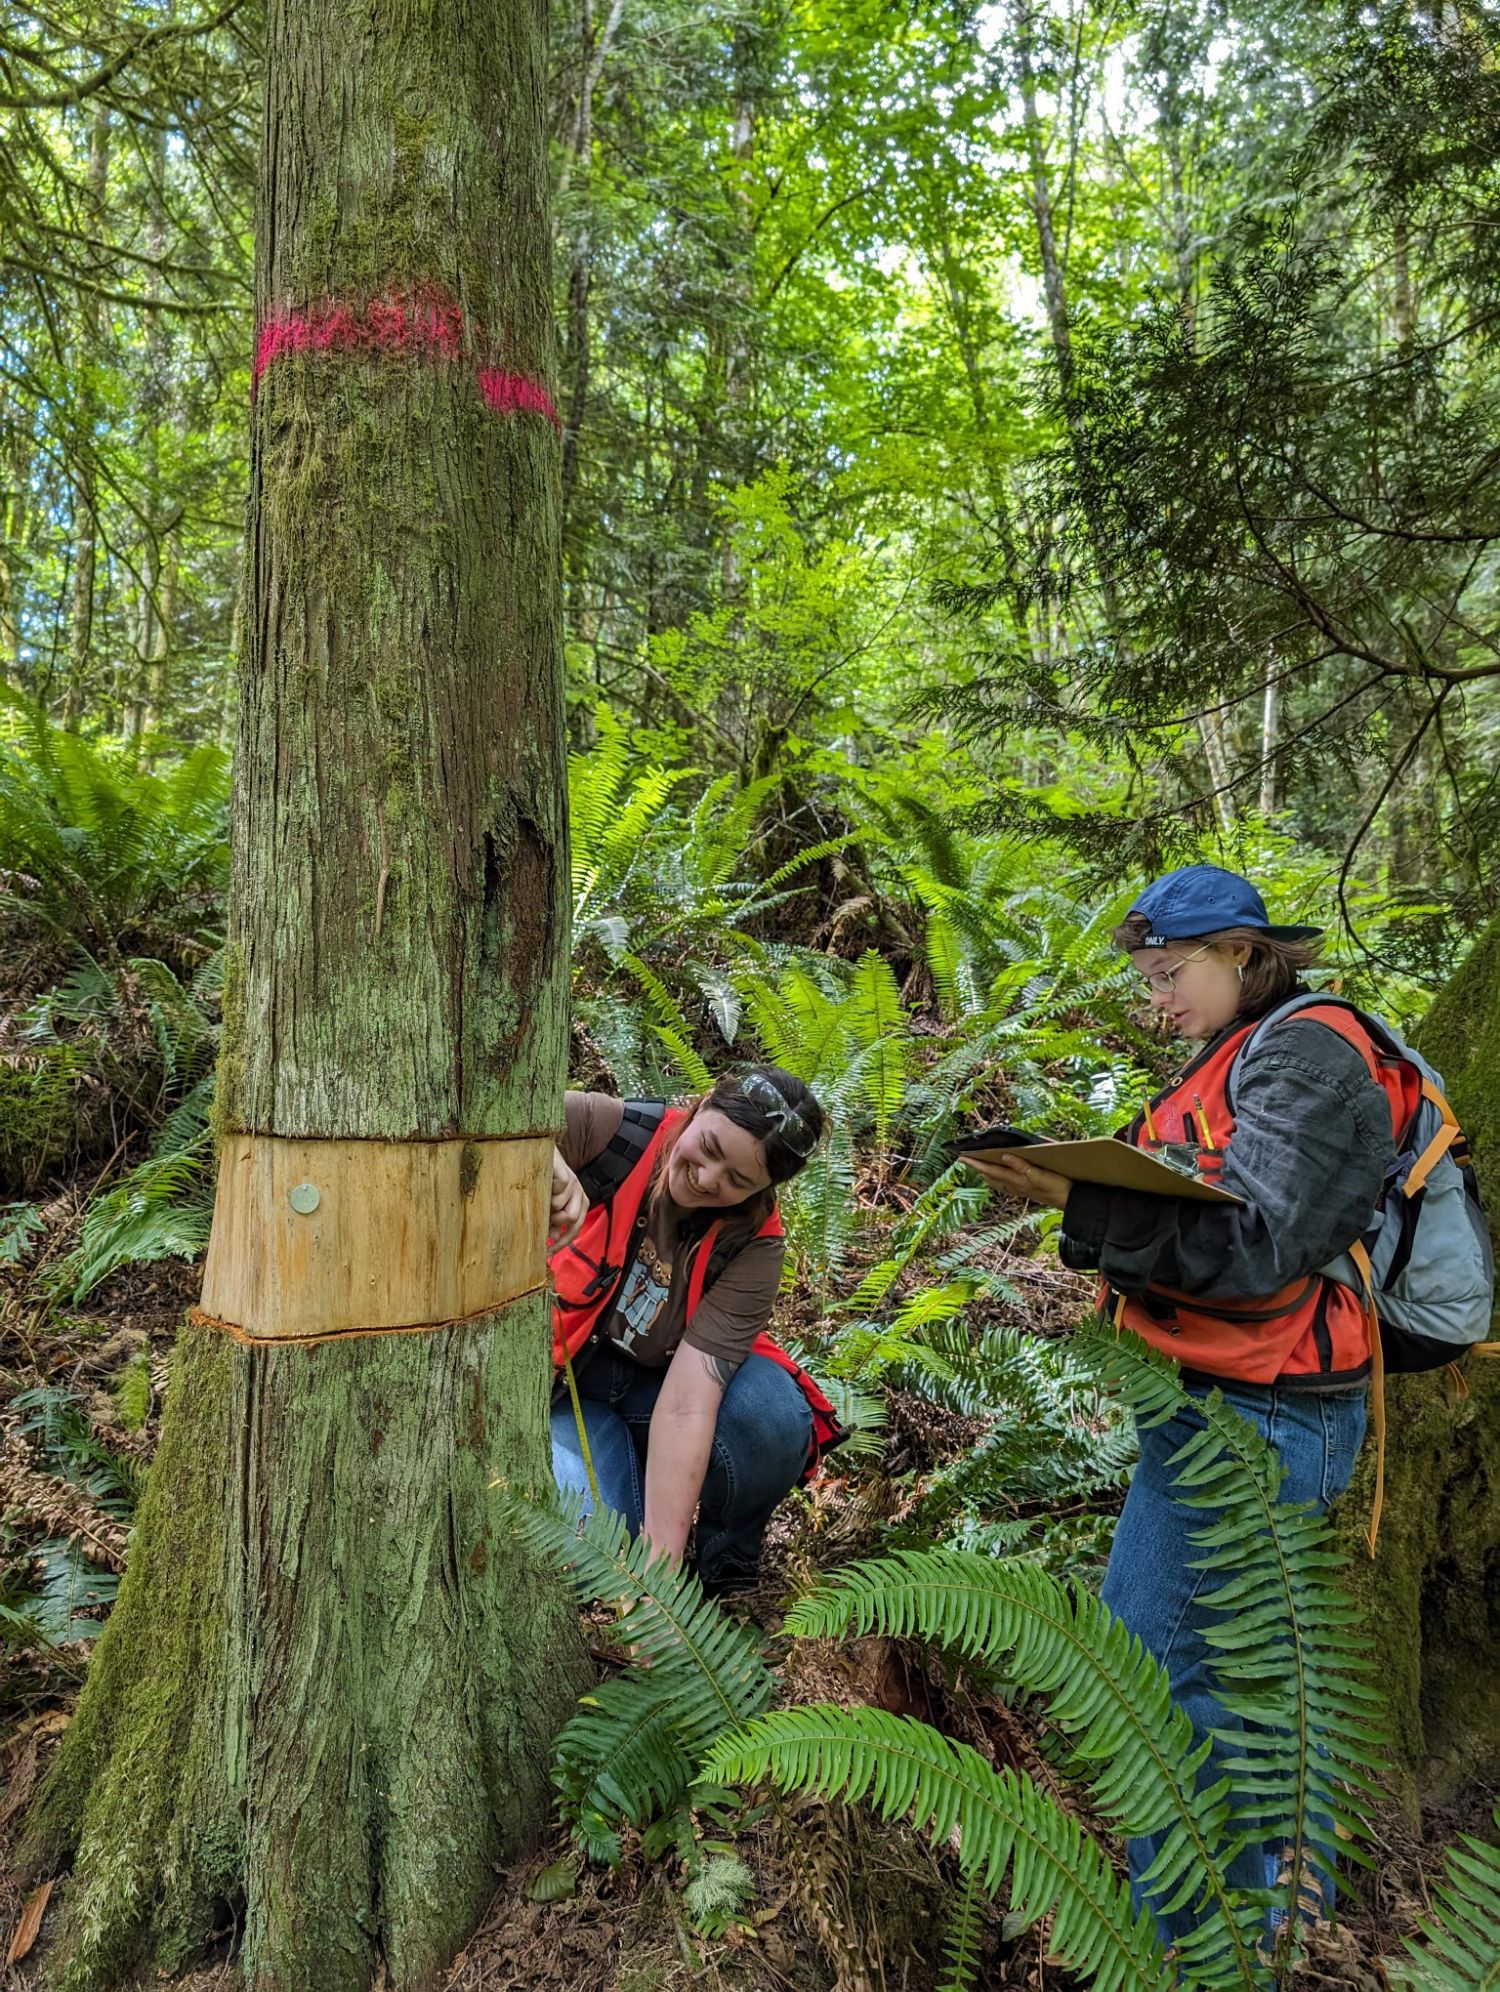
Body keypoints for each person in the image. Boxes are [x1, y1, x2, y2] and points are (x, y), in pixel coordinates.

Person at [965, 863, 1411, 1943]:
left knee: (1160, 1688)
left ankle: (1199, 1949)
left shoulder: (1307, 1051)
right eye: (1148, 977)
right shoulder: (1245, 1050)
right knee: (1215, 1678)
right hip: (1221, 1407)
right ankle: (1254, 1922)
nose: (1156, 998)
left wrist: (1083, 1197)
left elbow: (1256, 1244)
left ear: (1246, 956)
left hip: (1261, 1415)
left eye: (1171, 973)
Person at [546, 1065, 839, 1596]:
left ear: (765, 1190)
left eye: (737, 1181)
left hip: (656, 1390)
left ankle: (724, 1571)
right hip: (562, 1390)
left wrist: (661, 1588)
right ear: (702, 1106)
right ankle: (633, 1489)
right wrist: (542, 1157)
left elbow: (688, 1403)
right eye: (708, 1147)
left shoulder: (755, 1247)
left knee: (770, 1415)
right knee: (589, 1540)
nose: (707, 1179)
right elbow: (499, 1124)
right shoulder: (610, 1130)